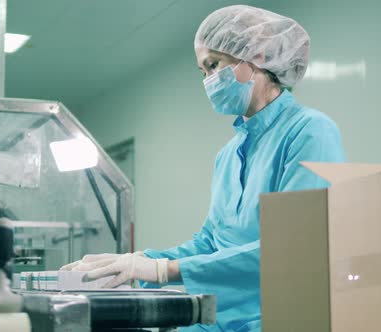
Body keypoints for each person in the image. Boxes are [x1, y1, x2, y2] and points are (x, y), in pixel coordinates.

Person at [61, 5, 345, 331]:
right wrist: (141, 261)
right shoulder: (228, 154)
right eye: (203, 72)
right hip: (214, 320)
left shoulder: (309, 131)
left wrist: (164, 270)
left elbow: (294, 248)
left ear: (258, 55)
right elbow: (211, 241)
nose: (209, 80)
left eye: (213, 65)